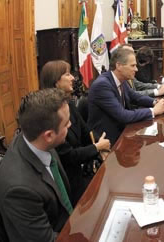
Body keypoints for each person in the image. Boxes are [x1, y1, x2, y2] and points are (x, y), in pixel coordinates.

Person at [0, 88, 72, 241]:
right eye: (66, 123)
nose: (70, 125)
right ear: (49, 136)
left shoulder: (36, 140)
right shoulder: (19, 190)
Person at [39, 60, 111, 205]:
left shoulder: (68, 104)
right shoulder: (48, 113)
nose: (73, 77)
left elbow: (86, 132)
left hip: (80, 170)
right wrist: (97, 148)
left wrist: (102, 146)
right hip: (65, 181)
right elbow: (67, 155)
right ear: (56, 82)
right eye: (67, 74)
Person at [88, 47, 164, 144]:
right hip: (107, 139)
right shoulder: (102, 85)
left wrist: (155, 102)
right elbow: (123, 115)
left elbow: (135, 97)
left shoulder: (121, 79)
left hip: (124, 131)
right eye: (133, 66)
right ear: (119, 66)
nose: (136, 69)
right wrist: (154, 111)